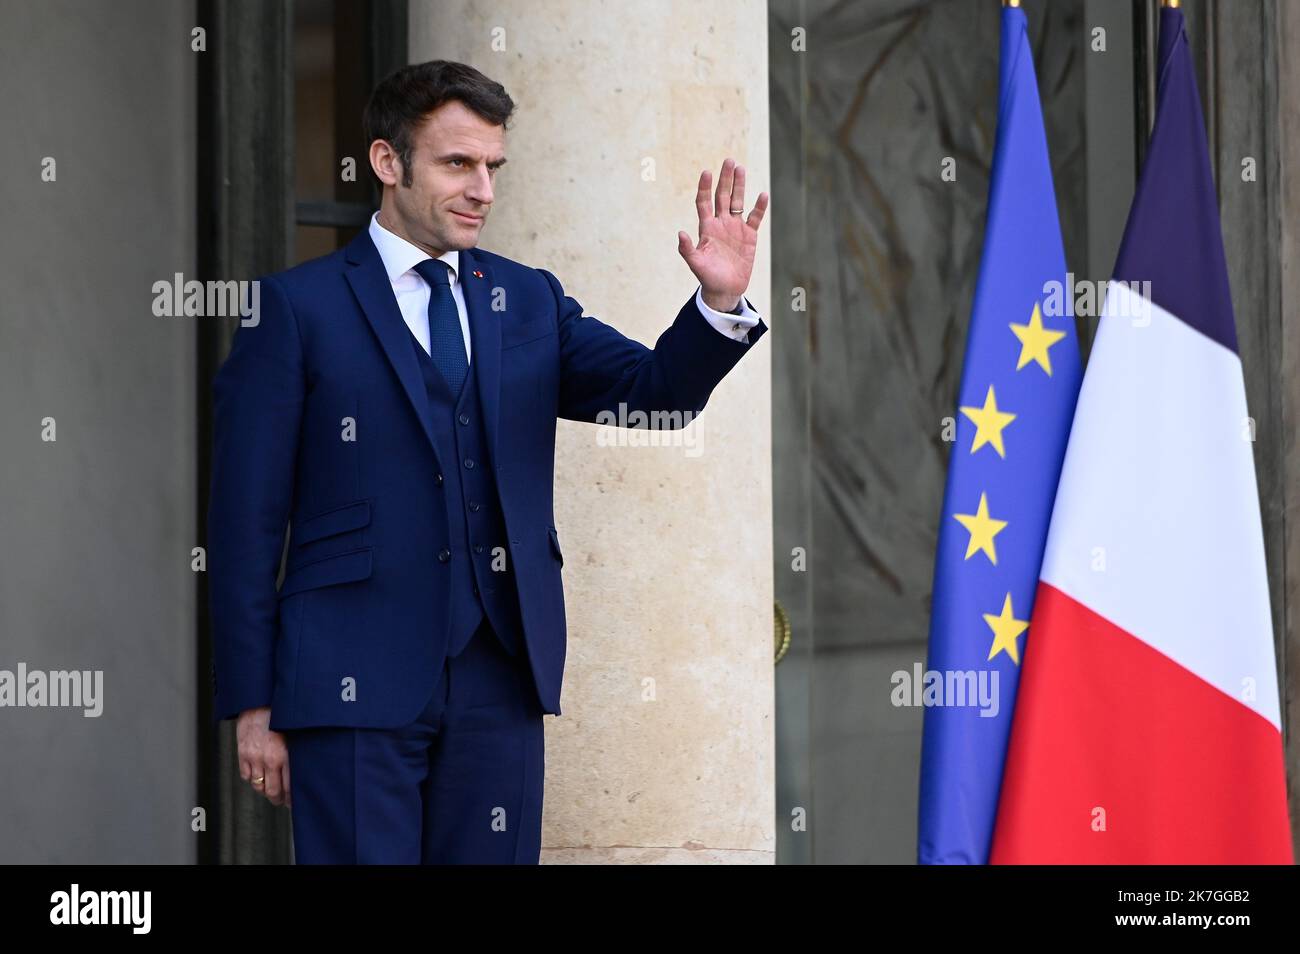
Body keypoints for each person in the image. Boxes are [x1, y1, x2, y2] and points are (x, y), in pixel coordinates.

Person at [207, 59, 769, 863]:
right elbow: (242, 530)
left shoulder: (527, 298)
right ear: (387, 163)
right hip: (349, 684)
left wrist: (717, 304)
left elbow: (656, 394)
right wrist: (253, 703)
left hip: (500, 677)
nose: (483, 191)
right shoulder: (296, 310)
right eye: (458, 164)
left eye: (493, 167)